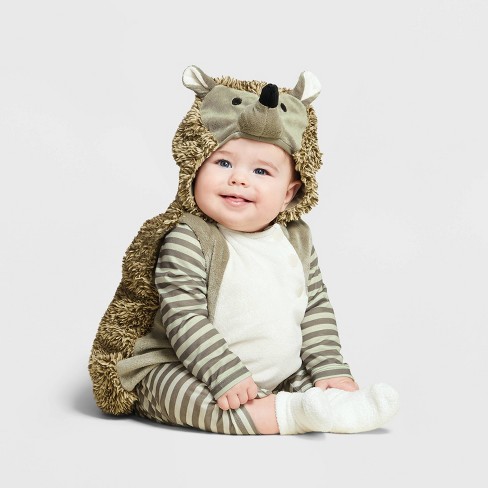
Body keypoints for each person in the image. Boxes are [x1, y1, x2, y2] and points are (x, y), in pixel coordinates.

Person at [89, 66, 399, 435]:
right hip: (190, 365)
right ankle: (285, 414)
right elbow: (184, 317)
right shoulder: (189, 238)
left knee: (313, 381)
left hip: (276, 371)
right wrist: (224, 373)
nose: (238, 178)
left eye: (261, 172)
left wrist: (329, 368)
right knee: (174, 390)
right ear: (195, 168)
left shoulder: (296, 240)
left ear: (289, 194)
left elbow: (314, 307)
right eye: (223, 162)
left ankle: (338, 407)